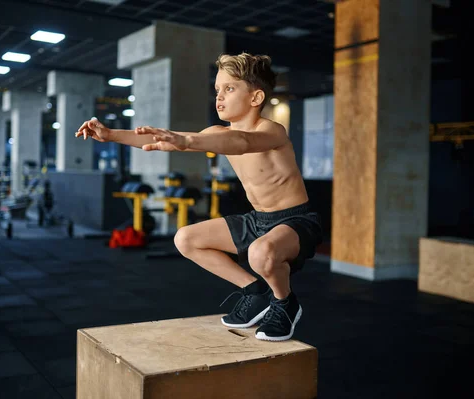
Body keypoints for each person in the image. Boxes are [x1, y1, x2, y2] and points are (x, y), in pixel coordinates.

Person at [75, 53, 322, 341]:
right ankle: (255, 291)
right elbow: (163, 138)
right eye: (217, 90)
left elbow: (242, 142)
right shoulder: (217, 133)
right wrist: (111, 135)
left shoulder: (271, 131)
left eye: (229, 89)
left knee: (260, 253)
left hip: (295, 221)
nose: (219, 96)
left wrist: (188, 141)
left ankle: (284, 302)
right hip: (259, 220)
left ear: (256, 98)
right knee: (185, 239)